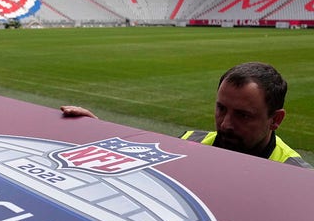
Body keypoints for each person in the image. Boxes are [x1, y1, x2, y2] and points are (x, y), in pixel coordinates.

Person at [61, 62, 312, 168]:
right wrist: (96, 129)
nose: (225, 124)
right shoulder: (190, 141)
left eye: (243, 116)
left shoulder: (296, 176)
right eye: (221, 108)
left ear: (275, 120)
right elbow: (142, 165)